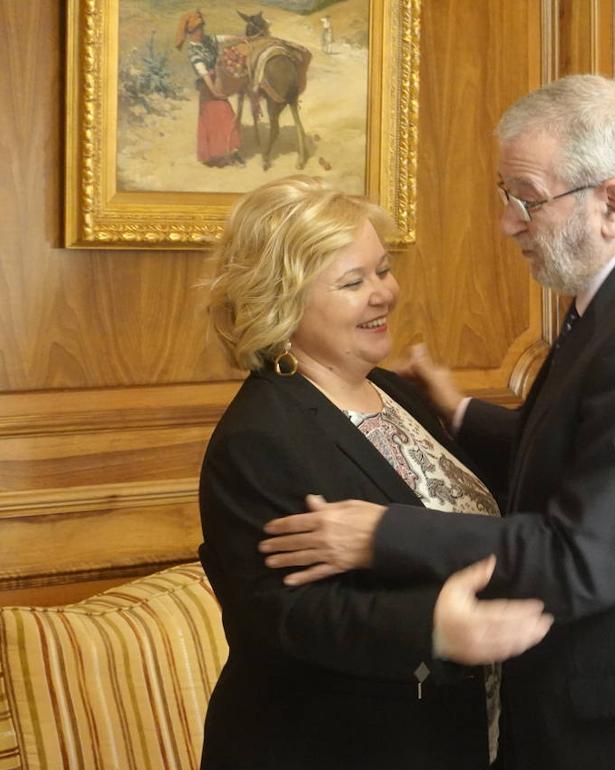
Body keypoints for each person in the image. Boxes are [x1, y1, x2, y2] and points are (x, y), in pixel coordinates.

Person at [257, 75, 615, 770]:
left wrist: (380, 533)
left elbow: (584, 557)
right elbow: (599, 453)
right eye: (507, 199)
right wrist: (461, 414)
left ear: (612, 203)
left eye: (526, 199)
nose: (507, 223)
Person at [197, 175, 552, 770]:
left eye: (383, 270)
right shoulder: (261, 436)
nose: (383, 293)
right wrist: (431, 628)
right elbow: (280, 615)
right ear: (281, 302)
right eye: (353, 282)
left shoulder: (394, 392)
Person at [175, 10, 243, 167]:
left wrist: (239, 38)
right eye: (197, 30)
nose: (201, 32)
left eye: (202, 29)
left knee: (227, 116)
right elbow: (204, 74)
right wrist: (214, 92)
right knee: (216, 120)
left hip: (217, 84)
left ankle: (229, 152)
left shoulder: (207, 40)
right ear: (190, 33)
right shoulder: (193, 51)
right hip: (208, 89)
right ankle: (220, 156)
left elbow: (222, 38)